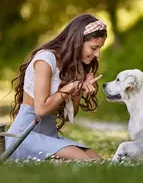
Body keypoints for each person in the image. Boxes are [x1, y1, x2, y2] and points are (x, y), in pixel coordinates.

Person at [6, 14, 107, 161]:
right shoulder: (45, 60)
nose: (97, 54)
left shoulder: (72, 66)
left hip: (48, 135)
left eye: (100, 48)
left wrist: (78, 91)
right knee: (86, 160)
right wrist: (70, 87)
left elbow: (66, 116)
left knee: (98, 160)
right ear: (78, 41)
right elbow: (40, 110)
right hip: (24, 137)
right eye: (94, 47)